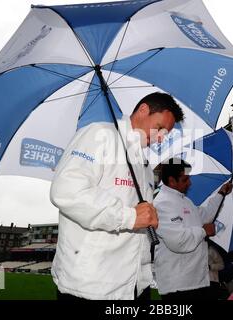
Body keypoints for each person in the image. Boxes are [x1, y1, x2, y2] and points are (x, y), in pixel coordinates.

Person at [50, 92, 184, 300]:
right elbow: (67, 190)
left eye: (166, 134)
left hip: (135, 286)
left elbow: (139, 218)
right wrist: (130, 217)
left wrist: (149, 219)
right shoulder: (98, 134)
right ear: (143, 110)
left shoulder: (145, 165)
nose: (160, 138)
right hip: (91, 287)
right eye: (159, 128)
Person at [153, 159, 233, 300]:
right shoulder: (162, 204)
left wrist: (221, 194)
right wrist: (203, 231)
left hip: (196, 281)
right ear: (172, 181)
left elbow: (206, 215)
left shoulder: (185, 201)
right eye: (185, 179)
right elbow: (179, 241)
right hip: (178, 286)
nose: (190, 183)